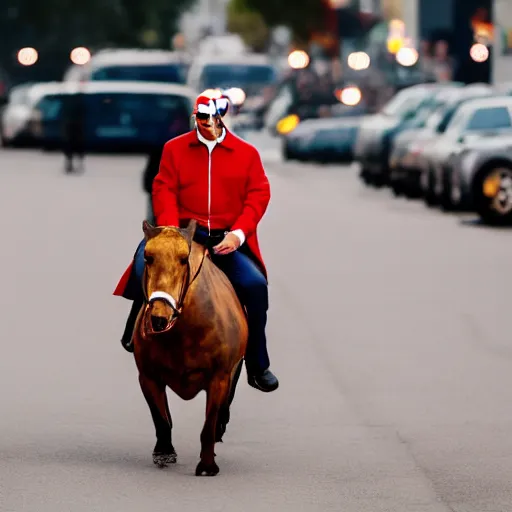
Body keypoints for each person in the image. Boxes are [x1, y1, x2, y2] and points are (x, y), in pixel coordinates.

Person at [113, 91, 279, 393]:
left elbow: (258, 194)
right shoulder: (175, 149)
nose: (205, 123)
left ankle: (258, 362)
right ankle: (134, 331)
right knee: (143, 266)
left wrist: (238, 234)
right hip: (182, 235)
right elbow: (164, 187)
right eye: (200, 117)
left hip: (225, 240)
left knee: (255, 287)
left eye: (211, 117)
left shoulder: (246, 153)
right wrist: (171, 231)